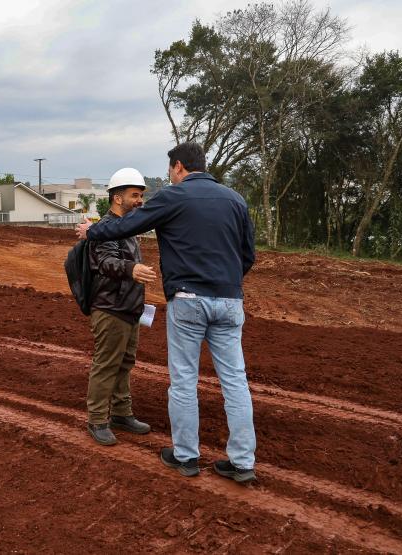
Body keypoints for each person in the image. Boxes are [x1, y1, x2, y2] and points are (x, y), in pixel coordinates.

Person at [76, 143, 257, 482]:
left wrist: (91, 230)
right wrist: (226, 281)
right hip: (230, 301)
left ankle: (186, 456)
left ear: (177, 168)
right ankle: (243, 461)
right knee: (235, 381)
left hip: (188, 299)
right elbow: (248, 254)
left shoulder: (174, 197)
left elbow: (121, 227)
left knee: (185, 380)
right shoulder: (235, 199)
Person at [84, 168, 156, 446]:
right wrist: (131, 268)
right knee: (107, 363)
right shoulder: (107, 228)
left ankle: (122, 414)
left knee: (125, 362)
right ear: (117, 198)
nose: (140, 201)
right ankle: (98, 419)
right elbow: (104, 262)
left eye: (140, 196)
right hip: (110, 307)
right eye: (134, 196)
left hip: (129, 307)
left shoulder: (128, 228)